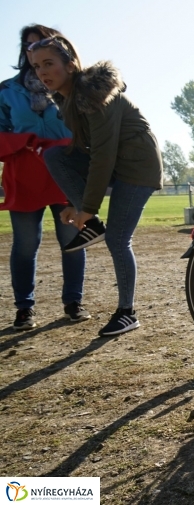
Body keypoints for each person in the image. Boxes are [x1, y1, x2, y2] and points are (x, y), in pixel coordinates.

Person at [29, 35, 163, 337]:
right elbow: (83, 152)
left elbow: (102, 155)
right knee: (54, 155)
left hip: (137, 167)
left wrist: (87, 209)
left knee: (117, 239)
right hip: (116, 163)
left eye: (48, 63)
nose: (42, 72)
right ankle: (92, 225)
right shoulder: (67, 100)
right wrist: (74, 203)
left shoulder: (95, 96)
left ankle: (127, 313)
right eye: (36, 67)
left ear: (70, 64)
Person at [0, 24, 90, 330]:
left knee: (72, 239)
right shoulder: (6, 91)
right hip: (24, 174)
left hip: (64, 170)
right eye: (28, 46)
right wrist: (23, 142)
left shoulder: (72, 87)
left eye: (40, 44)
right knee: (25, 244)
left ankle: (73, 303)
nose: (33, 52)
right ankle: (24, 308)